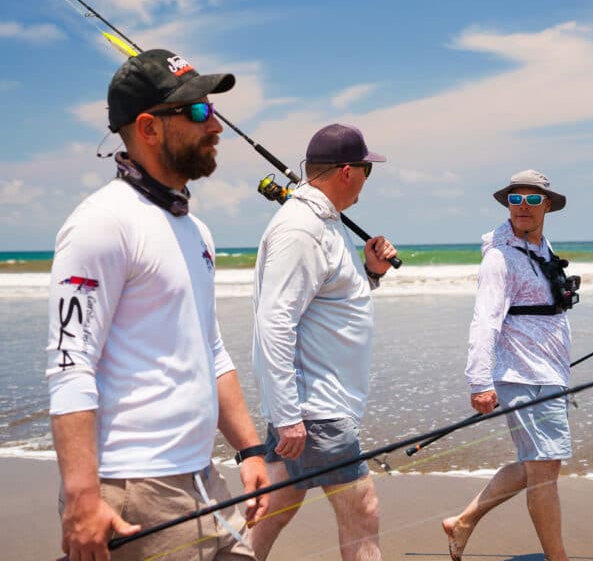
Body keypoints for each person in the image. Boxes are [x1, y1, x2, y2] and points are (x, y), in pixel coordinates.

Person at [46, 48, 269, 561]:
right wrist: (82, 499)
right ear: (148, 127)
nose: (215, 126)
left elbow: (210, 348)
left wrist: (251, 449)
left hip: (203, 478)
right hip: (131, 487)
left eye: (212, 110)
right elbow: (69, 363)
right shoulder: (102, 223)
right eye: (197, 112)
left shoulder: (196, 231)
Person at [250, 123, 397, 561]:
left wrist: (370, 273)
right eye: (368, 171)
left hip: (314, 406)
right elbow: (275, 322)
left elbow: (330, 303)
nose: (368, 182)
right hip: (317, 410)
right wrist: (289, 415)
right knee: (362, 508)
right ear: (348, 172)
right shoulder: (302, 229)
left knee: (276, 507)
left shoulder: (323, 223)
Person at [442, 170, 575, 561]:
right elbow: (485, 320)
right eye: (515, 200)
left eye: (533, 200)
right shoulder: (500, 258)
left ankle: (463, 522)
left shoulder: (541, 247)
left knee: (535, 466)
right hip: (524, 375)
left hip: (547, 372)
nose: (523, 207)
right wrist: (479, 381)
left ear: (547, 205)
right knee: (544, 475)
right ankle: (558, 558)